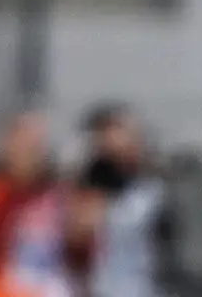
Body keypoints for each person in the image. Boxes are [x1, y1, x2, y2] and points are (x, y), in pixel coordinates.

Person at [0, 111, 78, 297]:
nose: (28, 156)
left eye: (35, 148)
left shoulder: (60, 195)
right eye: (21, 147)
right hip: (2, 287)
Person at [71, 102, 176, 297]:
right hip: (103, 288)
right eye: (103, 134)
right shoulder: (92, 184)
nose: (111, 141)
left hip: (146, 287)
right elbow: (79, 234)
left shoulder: (157, 187)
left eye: (116, 130)